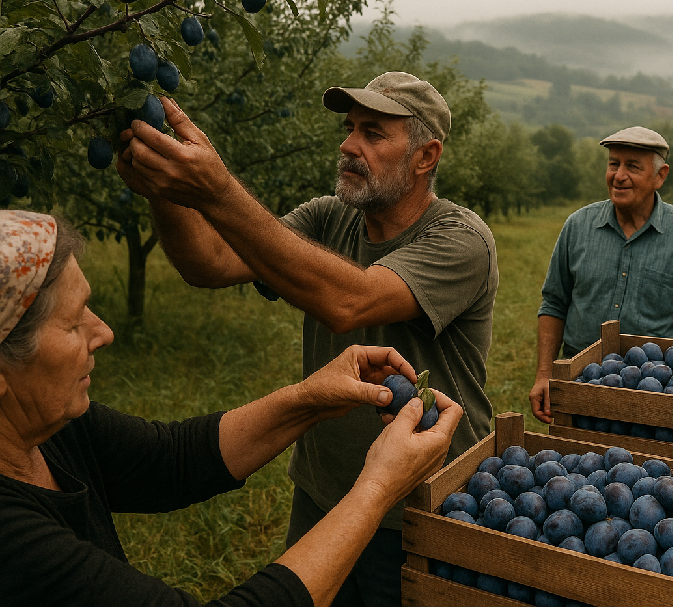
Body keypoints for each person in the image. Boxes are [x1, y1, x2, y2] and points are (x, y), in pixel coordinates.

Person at [116, 72, 498, 606]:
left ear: (425, 157)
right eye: (349, 128)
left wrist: (219, 189)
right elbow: (210, 262)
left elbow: (352, 302)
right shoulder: (328, 217)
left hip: (424, 498)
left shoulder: (461, 240)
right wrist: (167, 190)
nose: (348, 145)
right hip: (324, 489)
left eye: (373, 132)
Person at [0, 210, 461, 607]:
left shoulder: (53, 430)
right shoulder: (16, 544)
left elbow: (173, 461)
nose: (104, 333)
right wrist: (378, 488)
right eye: (73, 322)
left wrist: (309, 400)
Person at [530, 126, 673, 424]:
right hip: (578, 383)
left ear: (660, 176)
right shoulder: (578, 226)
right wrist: (546, 374)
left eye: (632, 166)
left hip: (650, 391)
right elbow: (554, 303)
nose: (619, 175)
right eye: (613, 163)